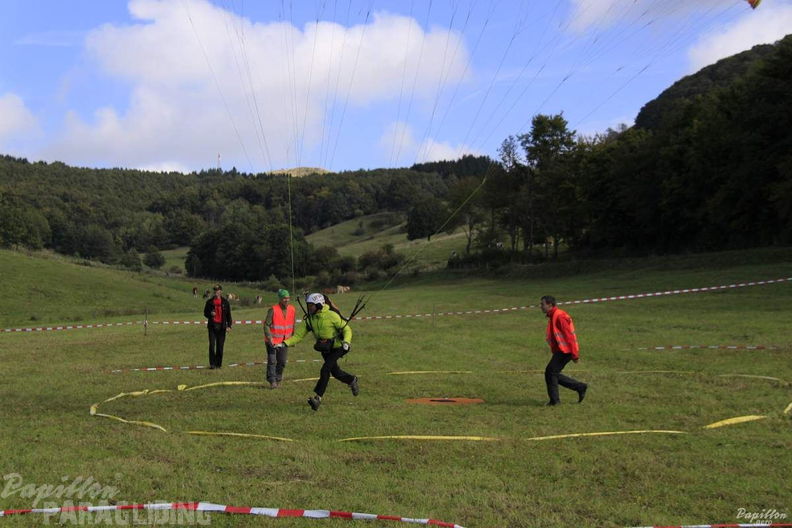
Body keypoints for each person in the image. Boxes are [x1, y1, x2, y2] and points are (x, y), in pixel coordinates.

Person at [276, 292, 358, 411]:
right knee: (335, 372)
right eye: (308, 305)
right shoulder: (310, 320)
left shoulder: (332, 316)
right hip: (325, 348)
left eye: (311, 306)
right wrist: (284, 343)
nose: (309, 308)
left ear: (319, 305)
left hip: (339, 347)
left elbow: (347, 329)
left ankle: (318, 398)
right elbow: (298, 336)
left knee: (325, 369)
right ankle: (352, 380)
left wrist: (346, 342)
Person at [540, 295, 587, 406]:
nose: (541, 306)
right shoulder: (553, 315)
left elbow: (569, 336)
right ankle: (580, 387)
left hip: (566, 351)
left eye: (542, 304)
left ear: (550, 305)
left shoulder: (559, 316)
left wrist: (575, 355)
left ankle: (555, 401)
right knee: (551, 373)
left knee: (551, 372)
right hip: (562, 350)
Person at [263, 289, 296, 389]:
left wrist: (293, 340)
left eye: (288, 298)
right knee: (272, 361)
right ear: (280, 299)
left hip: (284, 341)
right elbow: (266, 325)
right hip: (272, 341)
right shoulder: (273, 310)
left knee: (282, 361)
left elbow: (293, 325)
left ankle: (278, 379)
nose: (286, 300)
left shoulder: (292, 309)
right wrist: (269, 338)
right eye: (284, 298)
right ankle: (272, 381)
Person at [203, 284, 232, 369]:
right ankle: (212, 364)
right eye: (215, 290)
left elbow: (229, 315)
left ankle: (218, 364)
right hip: (212, 326)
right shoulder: (209, 302)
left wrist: (229, 326)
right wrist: (210, 314)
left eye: (218, 290)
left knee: (220, 346)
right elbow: (205, 313)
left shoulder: (225, 302)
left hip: (222, 326)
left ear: (221, 291)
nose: (216, 292)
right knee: (212, 345)